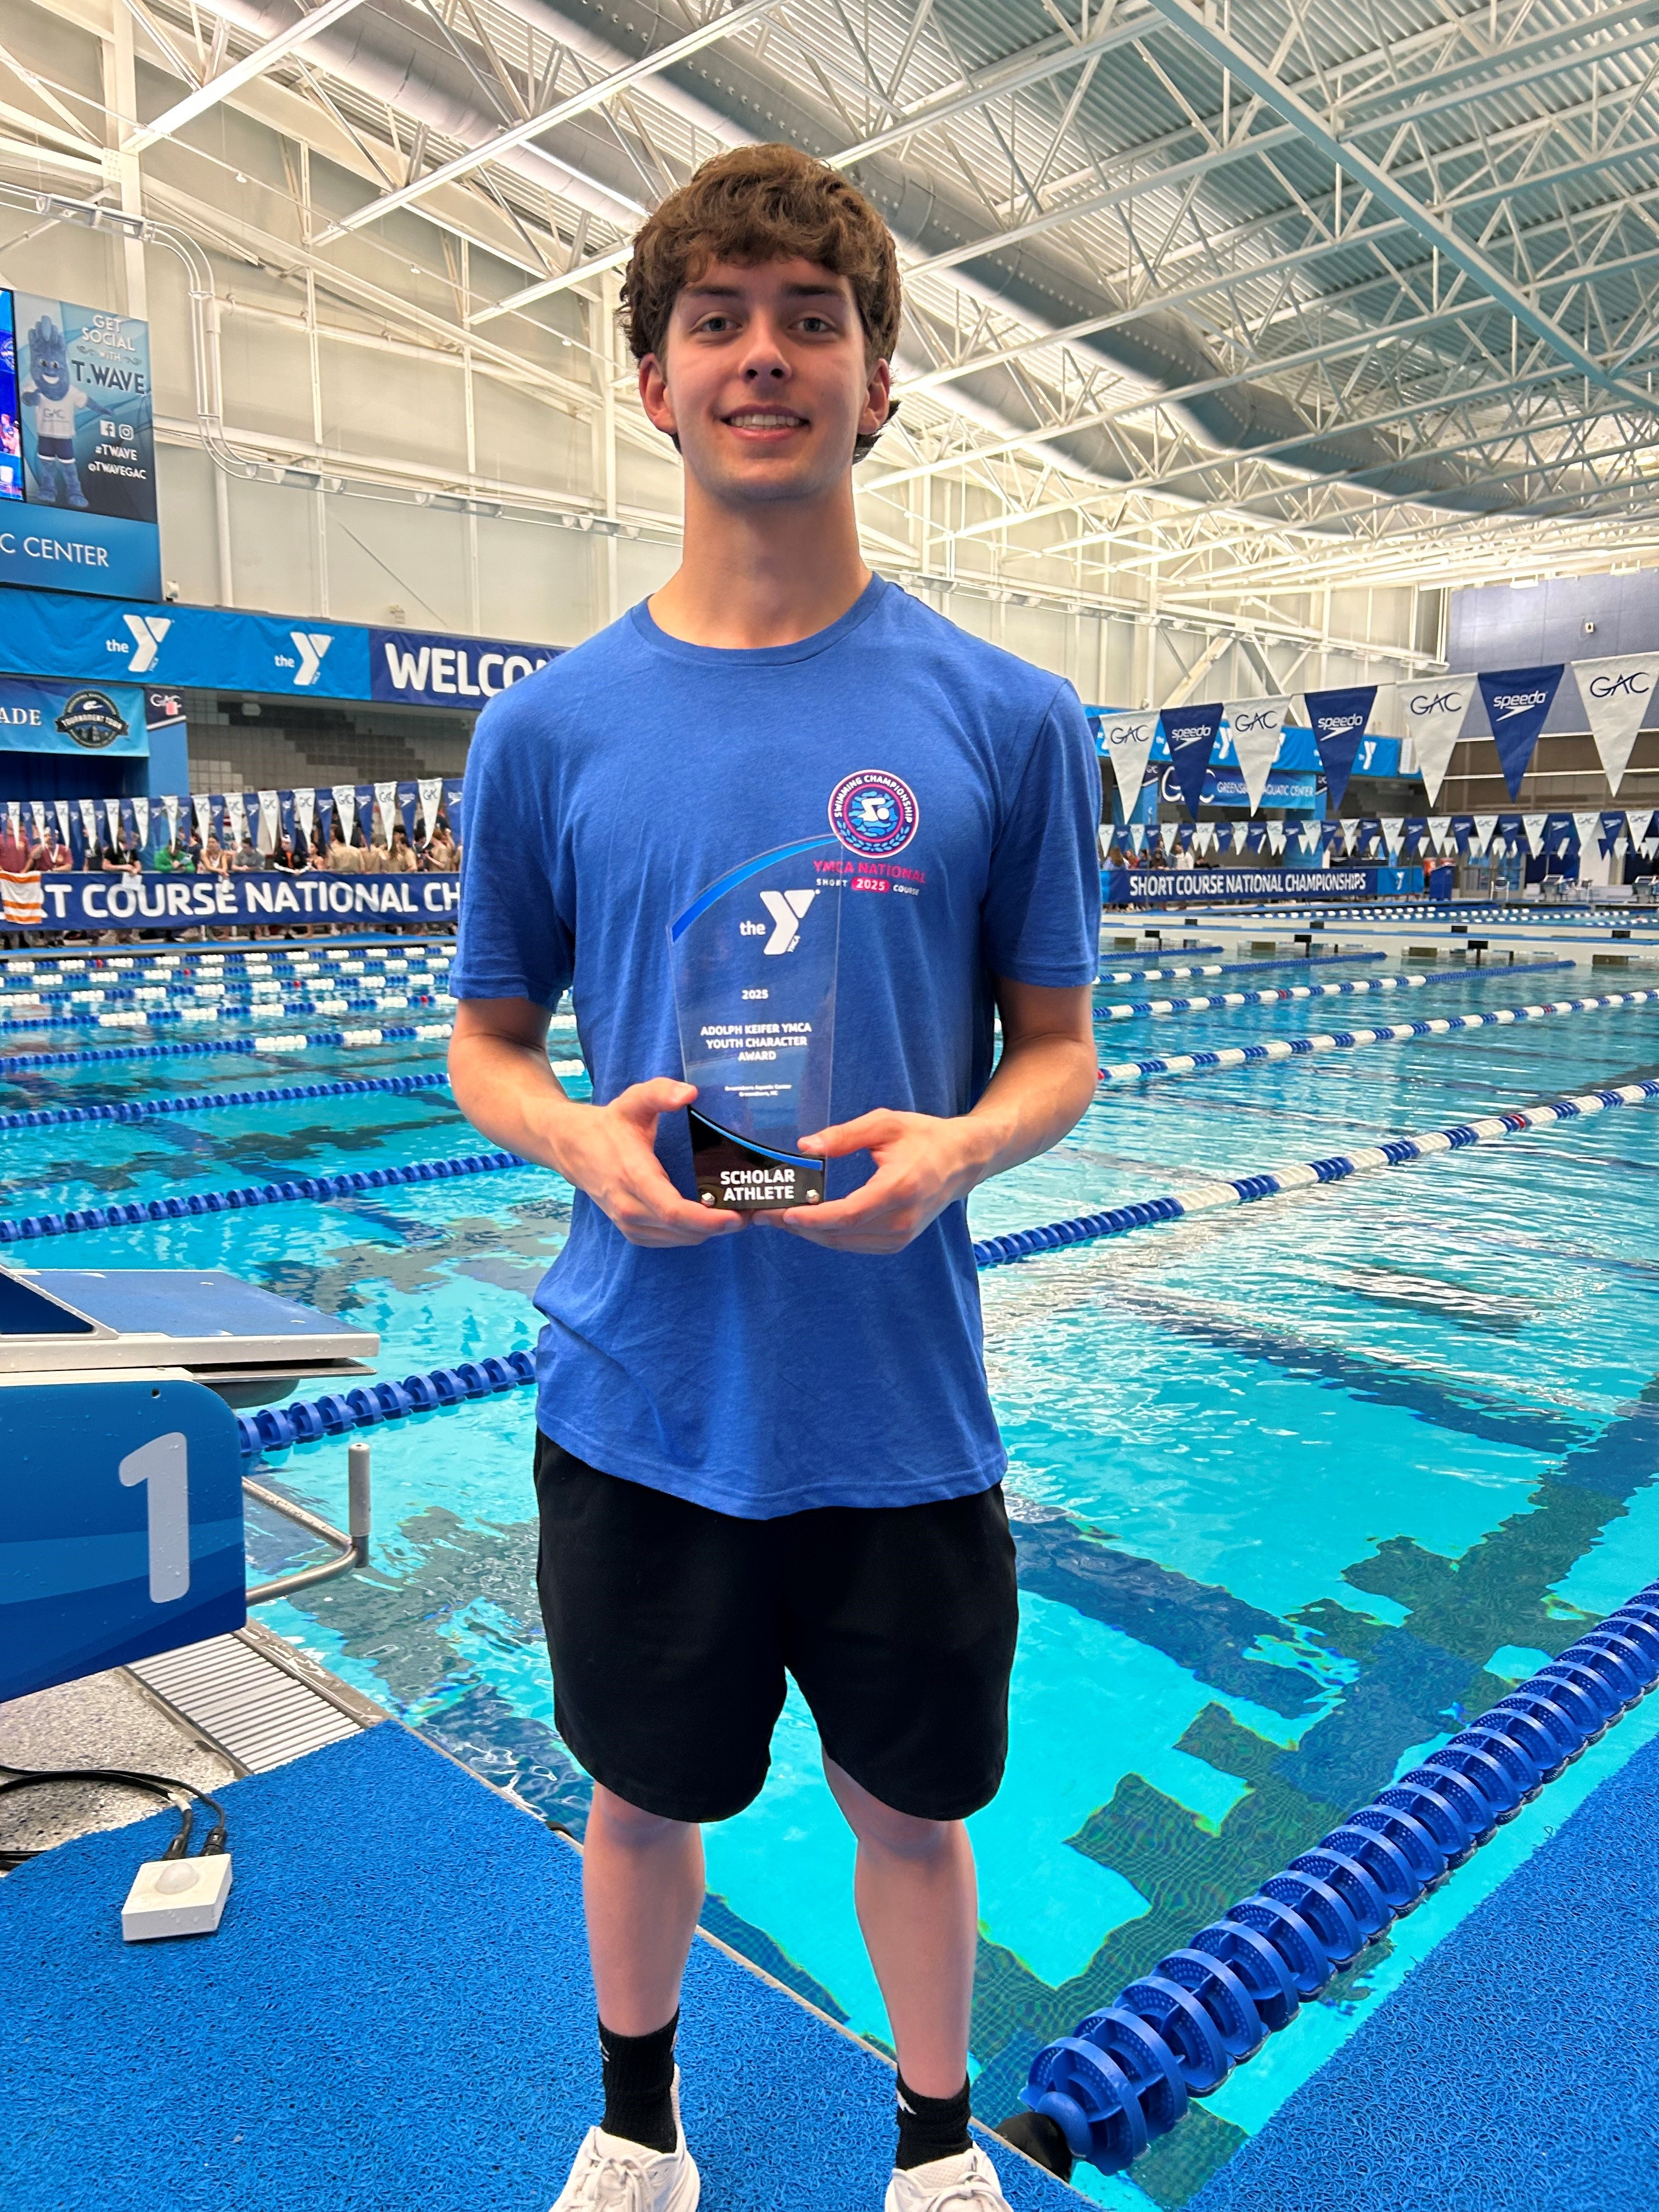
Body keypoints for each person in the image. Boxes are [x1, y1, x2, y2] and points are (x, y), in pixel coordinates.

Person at [445, 144, 1098, 2212]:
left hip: (897, 1402)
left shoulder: (1008, 716)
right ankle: (636, 2135)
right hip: (638, 1391)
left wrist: (967, 1148)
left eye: (812, 320)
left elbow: (1062, 1052)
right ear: (653, 381)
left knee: (910, 1807)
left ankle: (931, 2153)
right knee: (641, 1797)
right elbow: (485, 1046)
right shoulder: (547, 734)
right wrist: (578, 1144)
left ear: (878, 378)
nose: (764, 357)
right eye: (717, 320)